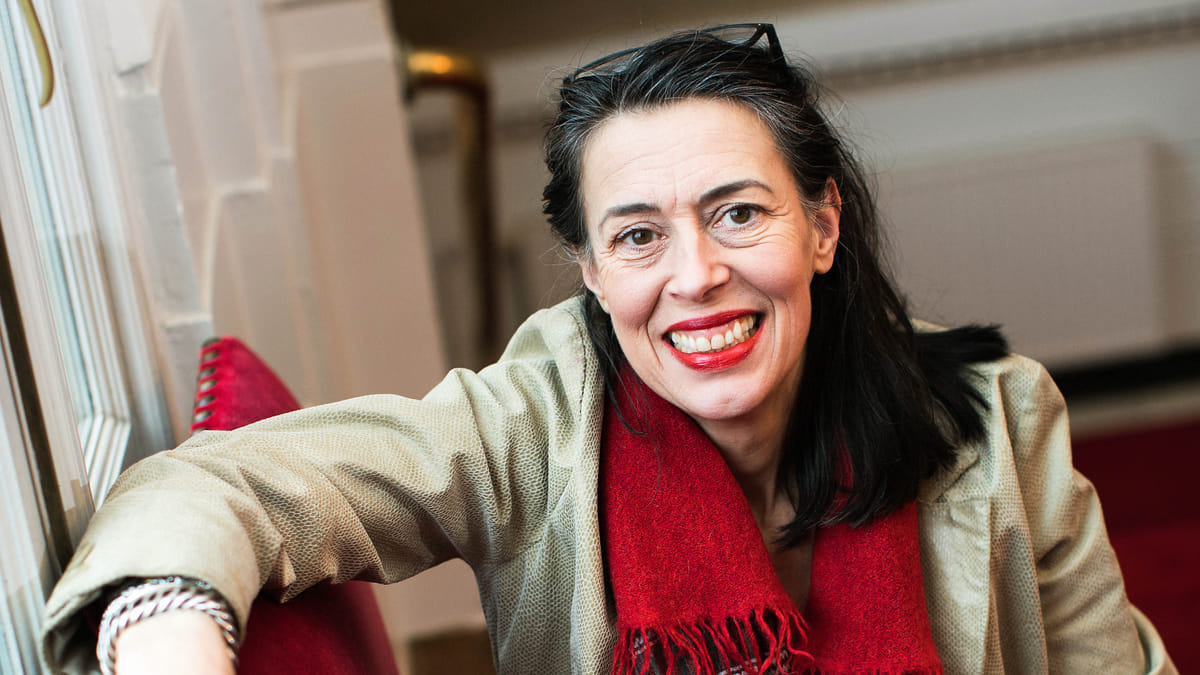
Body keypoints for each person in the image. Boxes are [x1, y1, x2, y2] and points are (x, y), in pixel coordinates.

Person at [41, 24, 1175, 675]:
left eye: (739, 213)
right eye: (638, 236)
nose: (696, 274)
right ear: (589, 269)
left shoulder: (996, 417)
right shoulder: (533, 431)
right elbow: (211, 488)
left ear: (824, 226)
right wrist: (171, 635)